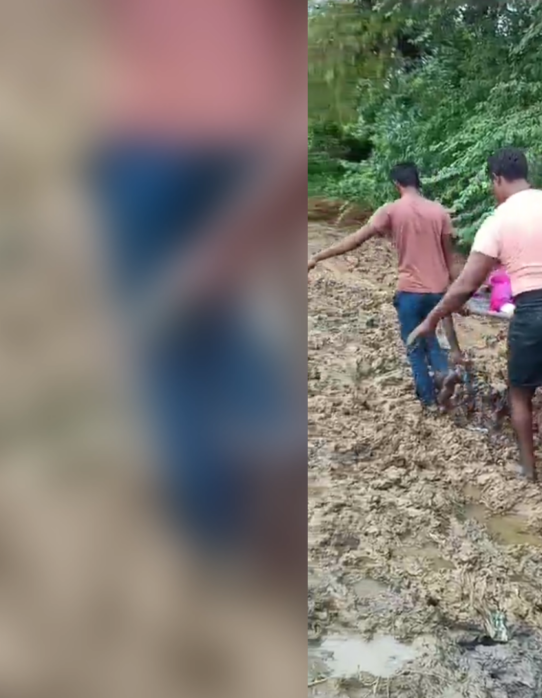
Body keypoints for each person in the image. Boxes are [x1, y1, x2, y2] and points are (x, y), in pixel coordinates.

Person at [94, 0, 306, 576]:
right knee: (221, 320)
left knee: (164, 353)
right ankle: (263, 464)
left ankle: (212, 534)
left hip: (155, 132)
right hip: (241, 134)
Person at [405, 148, 542, 486]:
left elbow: (466, 285)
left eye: (493, 184)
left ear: (497, 179)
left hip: (535, 311)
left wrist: (431, 319)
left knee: (520, 392)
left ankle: (528, 471)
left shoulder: (498, 220)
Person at [308, 162, 463, 407]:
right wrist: (460, 293)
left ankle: (428, 402)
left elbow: (355, 240)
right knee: (431, 336)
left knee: (414, 345)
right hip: (438, 291)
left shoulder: (391, 211)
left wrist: (318, 257)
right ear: (417, 181)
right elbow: (449, 259)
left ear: (396, 184)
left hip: (411, 291)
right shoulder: (439, 212)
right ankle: (443, 376)